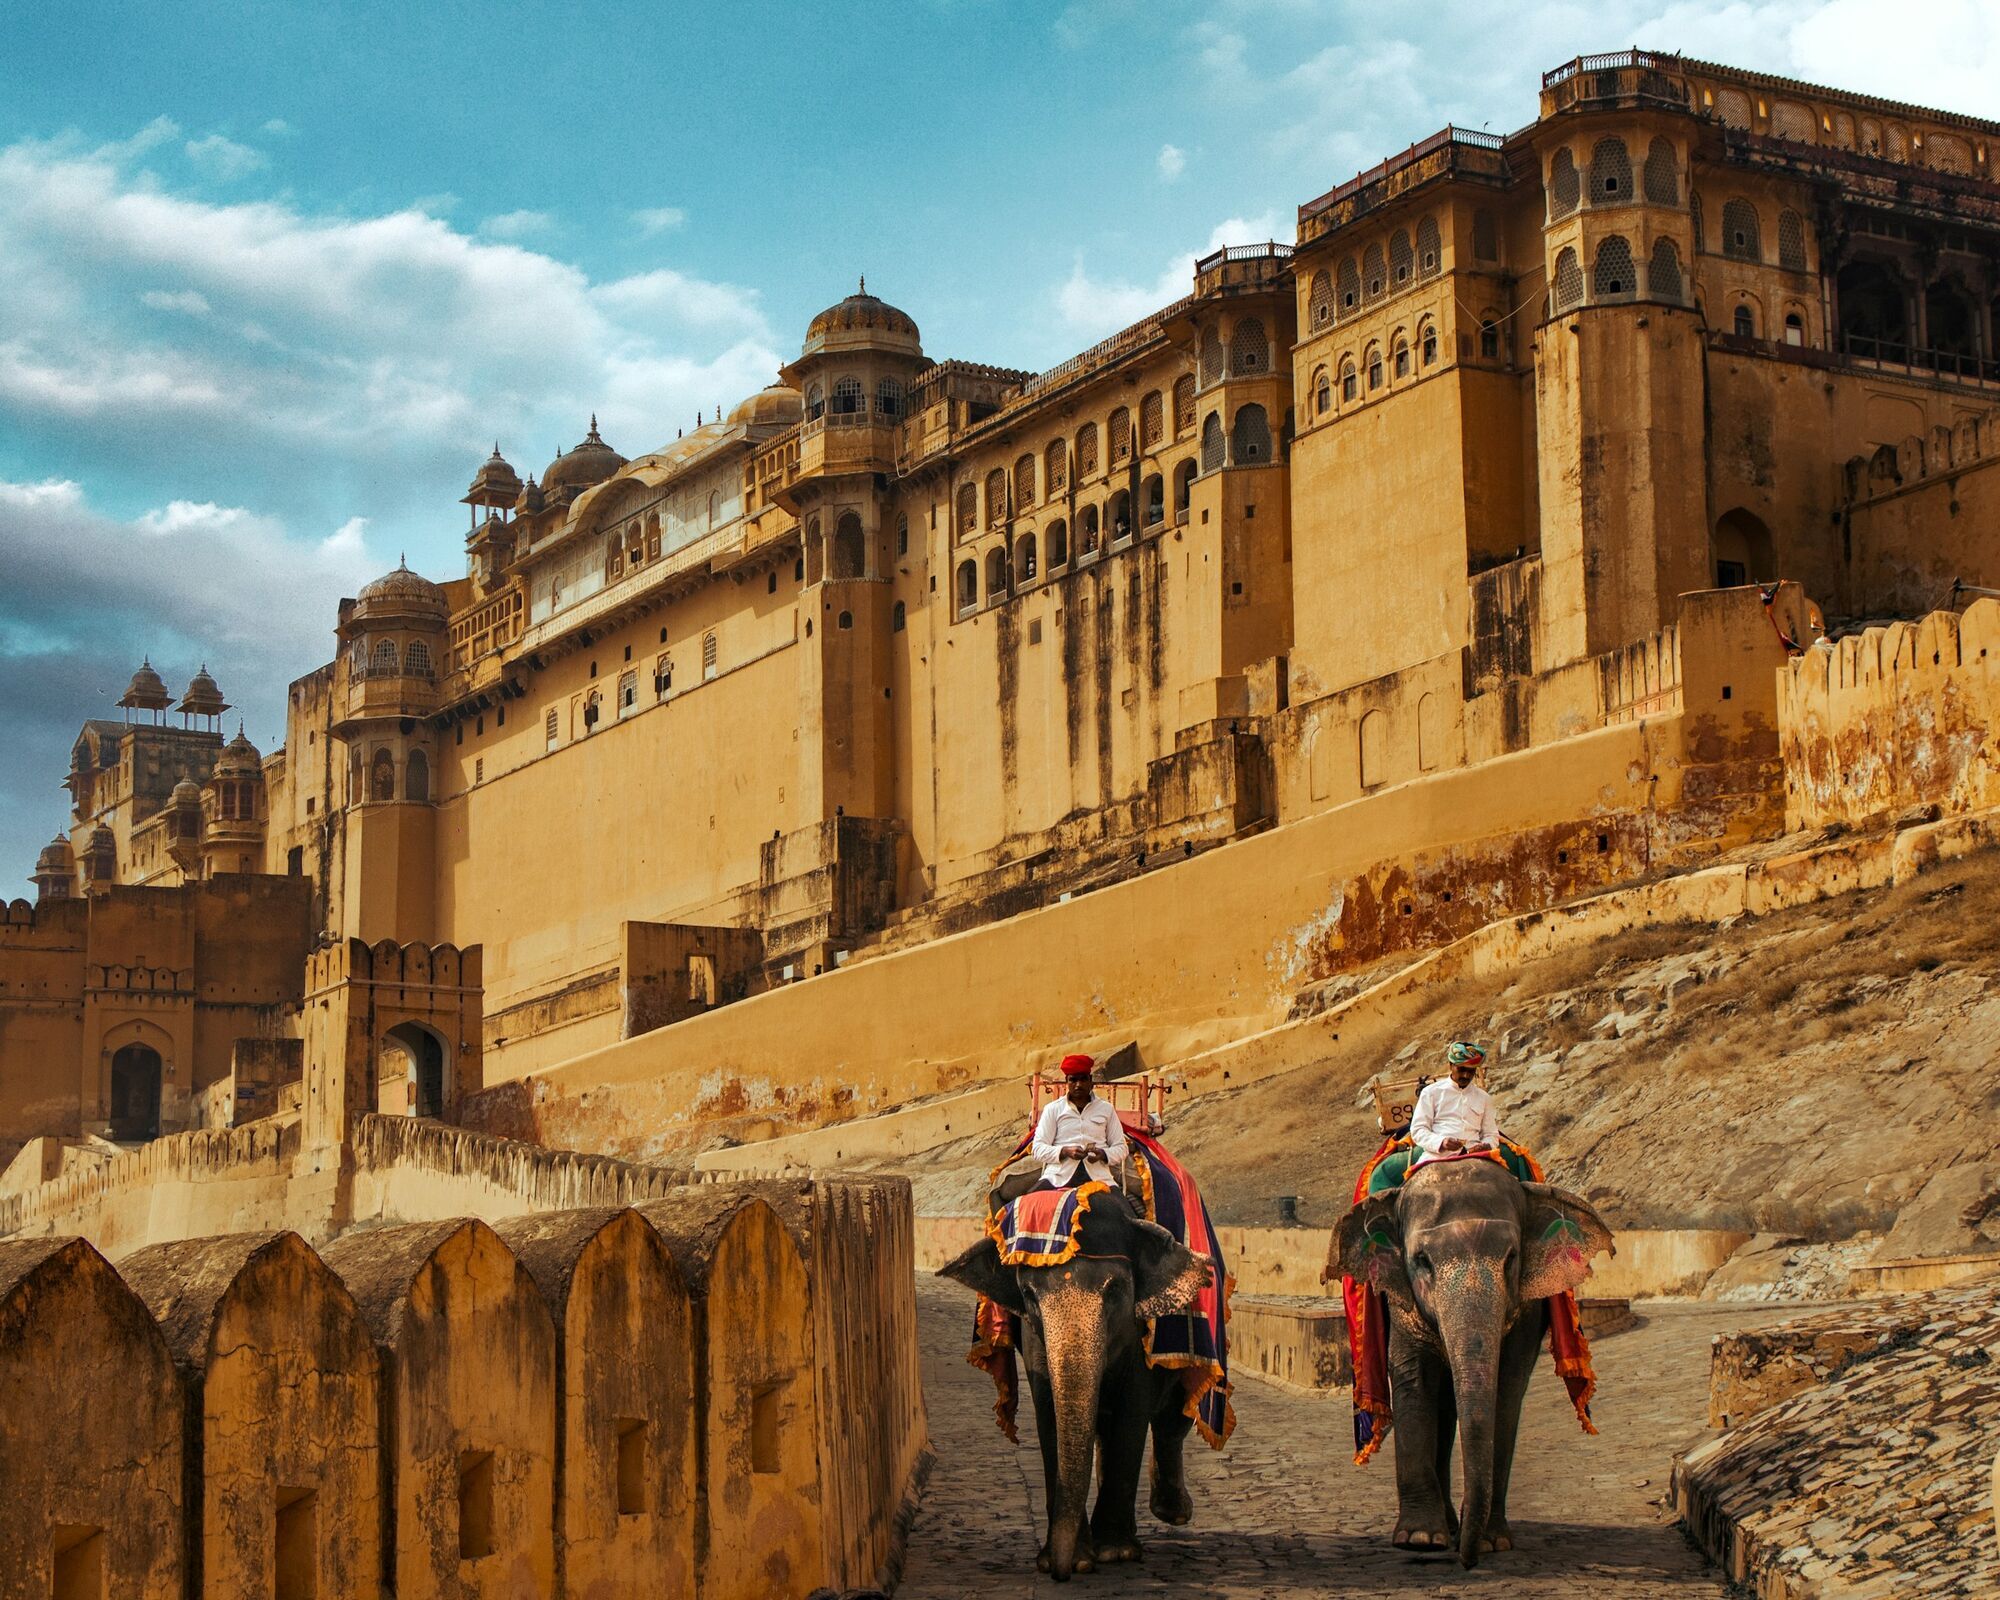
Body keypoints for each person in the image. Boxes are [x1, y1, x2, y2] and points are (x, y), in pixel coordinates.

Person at [1030, 1053, 1128, 1189]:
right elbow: (1037, 1149)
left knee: (1123, 1210)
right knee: (1026, 1206)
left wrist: (1103, 1154)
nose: (1078, 1085)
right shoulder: (1052, 1109)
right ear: (1067, 1082)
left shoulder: (1106, 1109)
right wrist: (1064, 1151)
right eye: (1073, 1080)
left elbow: (1121, 1148)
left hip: (1099, 1178)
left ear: (1091, 1081)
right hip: (1057, 1177)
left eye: (1083, 1079)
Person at [1409, 1041, 1498, 1165]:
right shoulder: (1431, 1092)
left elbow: (1491, 1133)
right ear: (1451, 1065)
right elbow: (1418, 1130)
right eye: (1461, 1069)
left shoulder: (1484, 1097)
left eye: (1471, 1071)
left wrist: (1487, 1145)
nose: (1466, 1075)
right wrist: (1442, 1142)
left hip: (1477, 1157)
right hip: (1436, 1158)